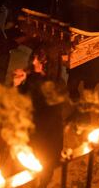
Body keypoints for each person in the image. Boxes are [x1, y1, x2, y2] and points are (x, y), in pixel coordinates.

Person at [14, 47, 66, 188]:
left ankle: (43, 182)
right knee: (33, 160)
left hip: (48, 134)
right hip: (33, 129)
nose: (34, 62)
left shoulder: (58, 85)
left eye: (40, 59)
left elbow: (51, 116)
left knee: (45, 163)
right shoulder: (32, 78)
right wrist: (18, 84)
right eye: (35, 57)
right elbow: (22, 99)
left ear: (50, 63)